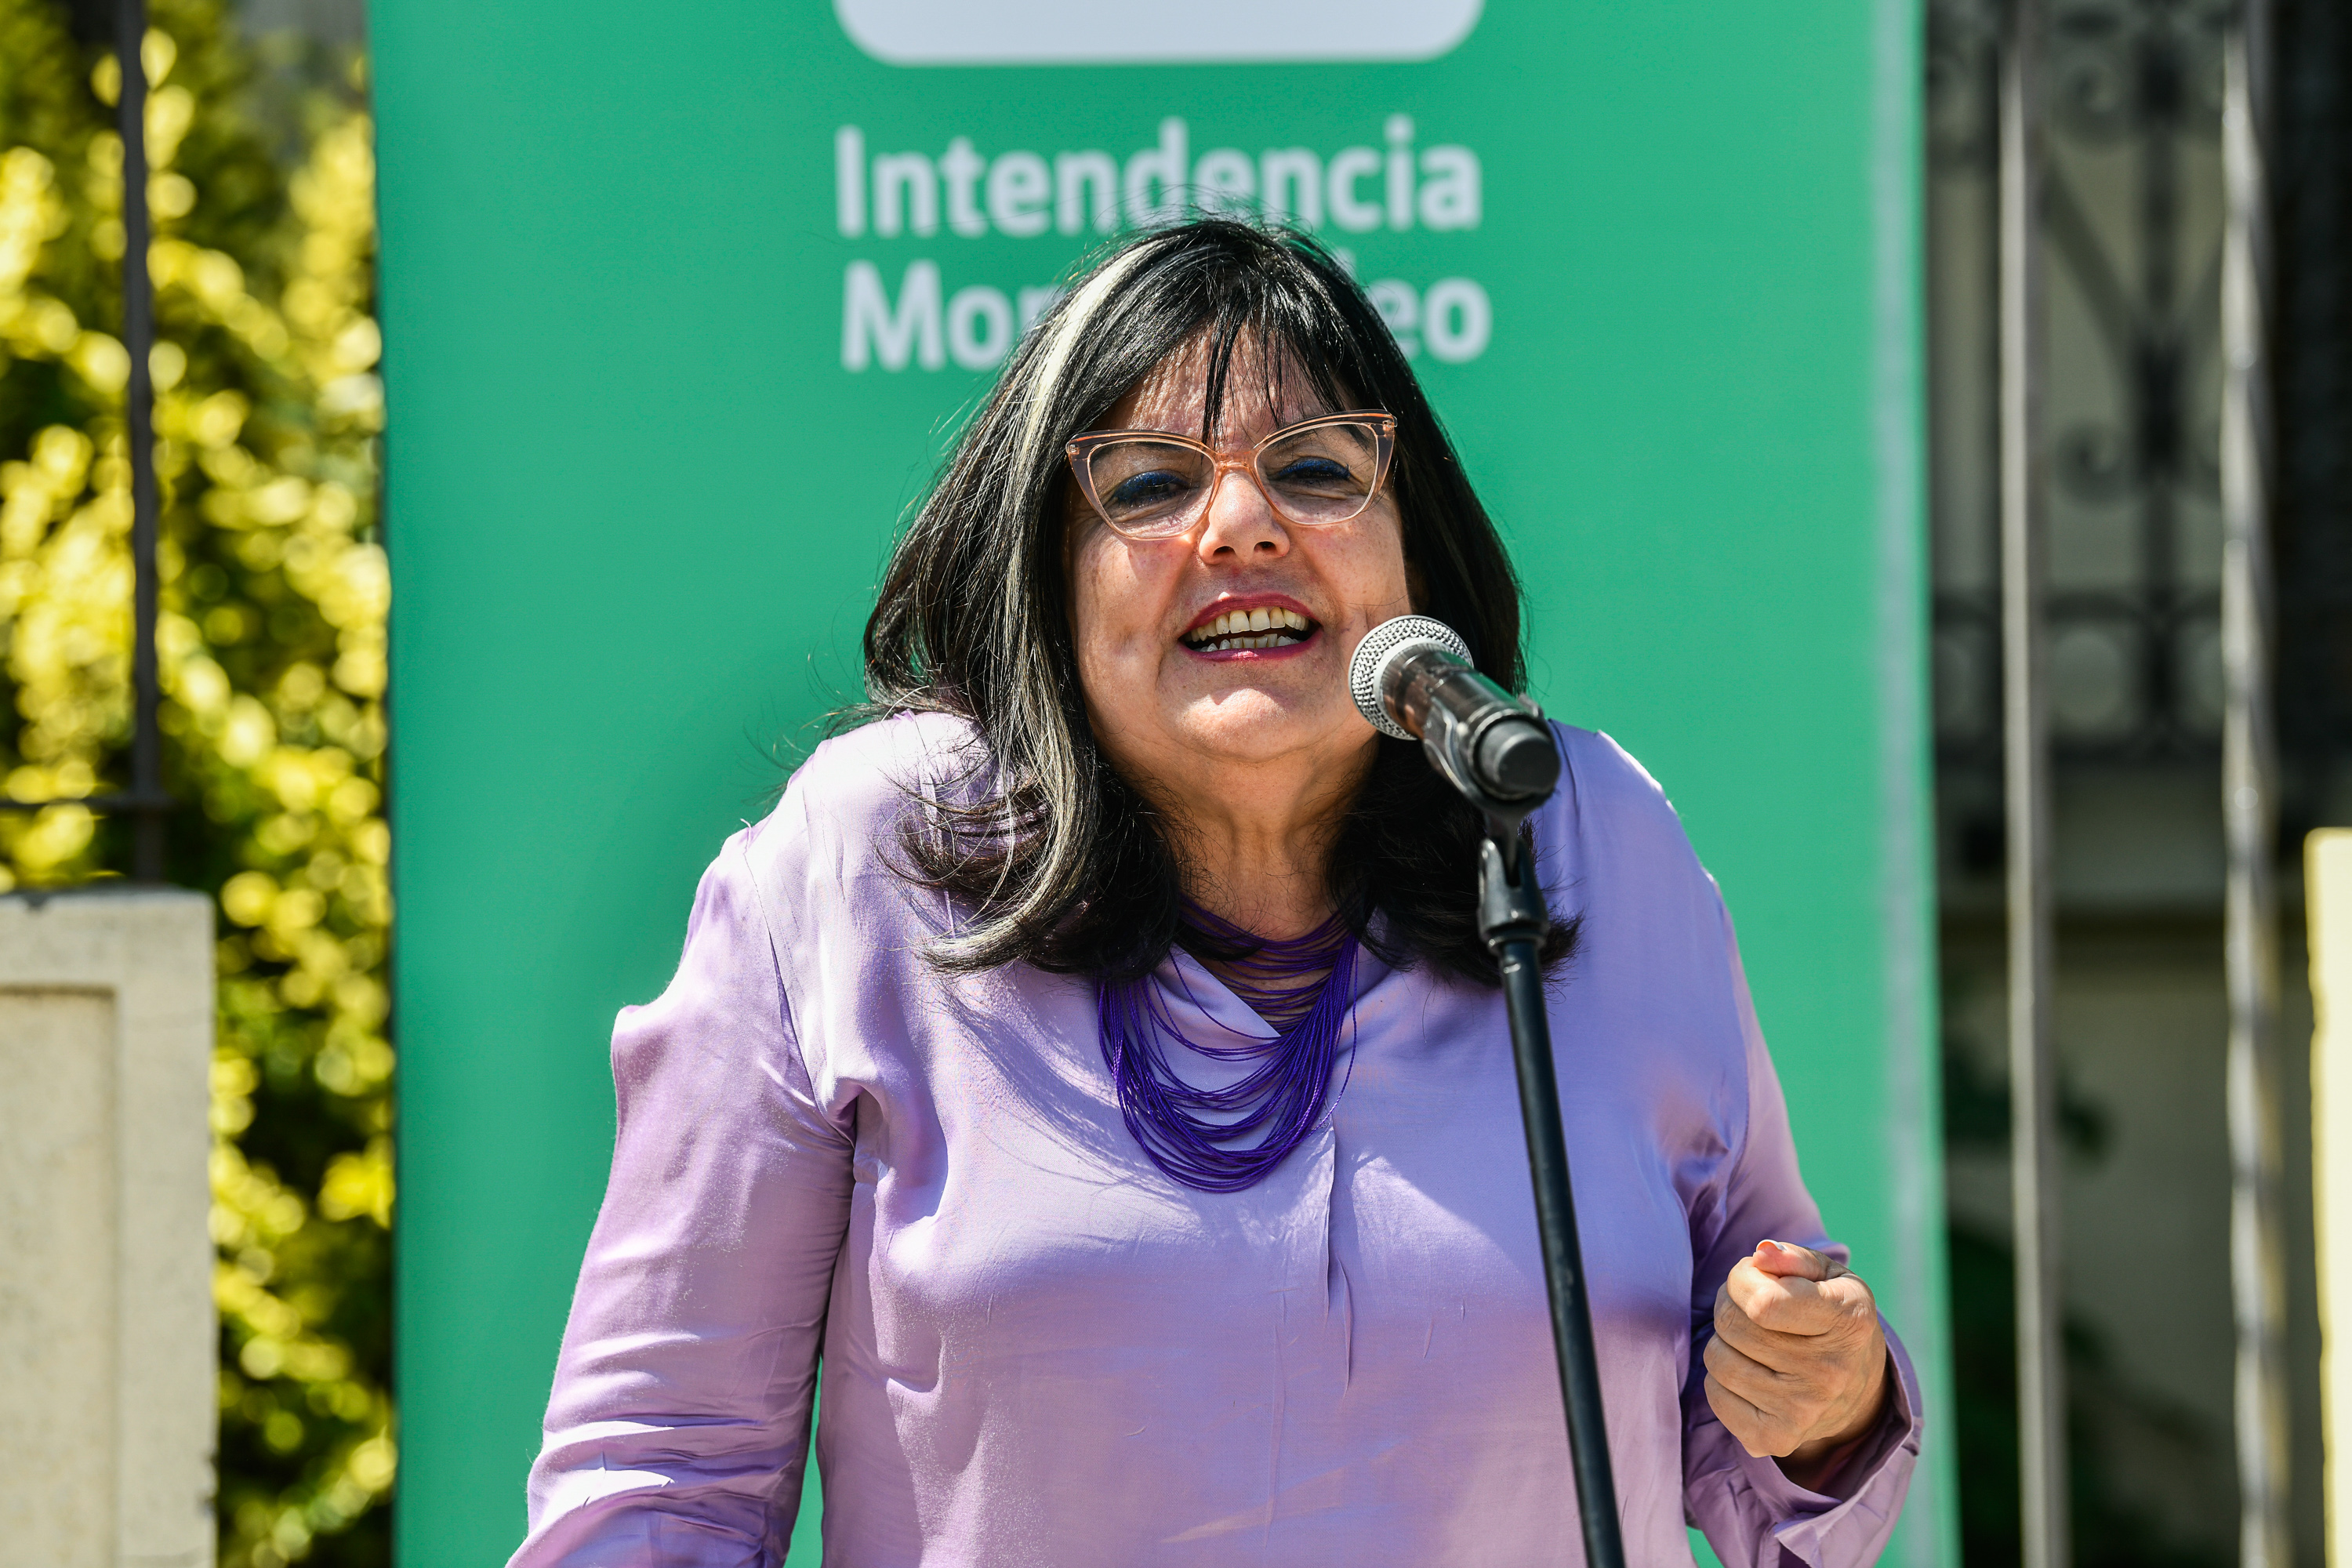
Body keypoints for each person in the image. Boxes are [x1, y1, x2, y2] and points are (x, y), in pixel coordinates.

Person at [509, 220, 1922, 1566]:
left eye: (1317, 470)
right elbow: (660, 1474)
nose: (1243, 526)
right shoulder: (866, 862)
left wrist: (1827, 1400)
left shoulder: (1579, 835)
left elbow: (1768, 1451)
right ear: (1045, 582)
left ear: (1411, 550)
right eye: (1147, 485)